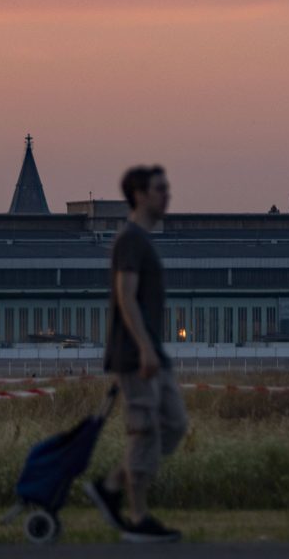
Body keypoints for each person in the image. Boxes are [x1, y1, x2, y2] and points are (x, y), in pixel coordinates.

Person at [83, 165, 187, 543]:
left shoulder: (143, 240)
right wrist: (144, 349)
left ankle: (110, 486)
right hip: (135, 355)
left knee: (173, 426)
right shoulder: (130, 240)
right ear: (140, 195)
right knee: (143, 432)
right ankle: (137, 518)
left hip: (152, 353)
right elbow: (125, 298)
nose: (167, 195)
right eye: (160, 189)